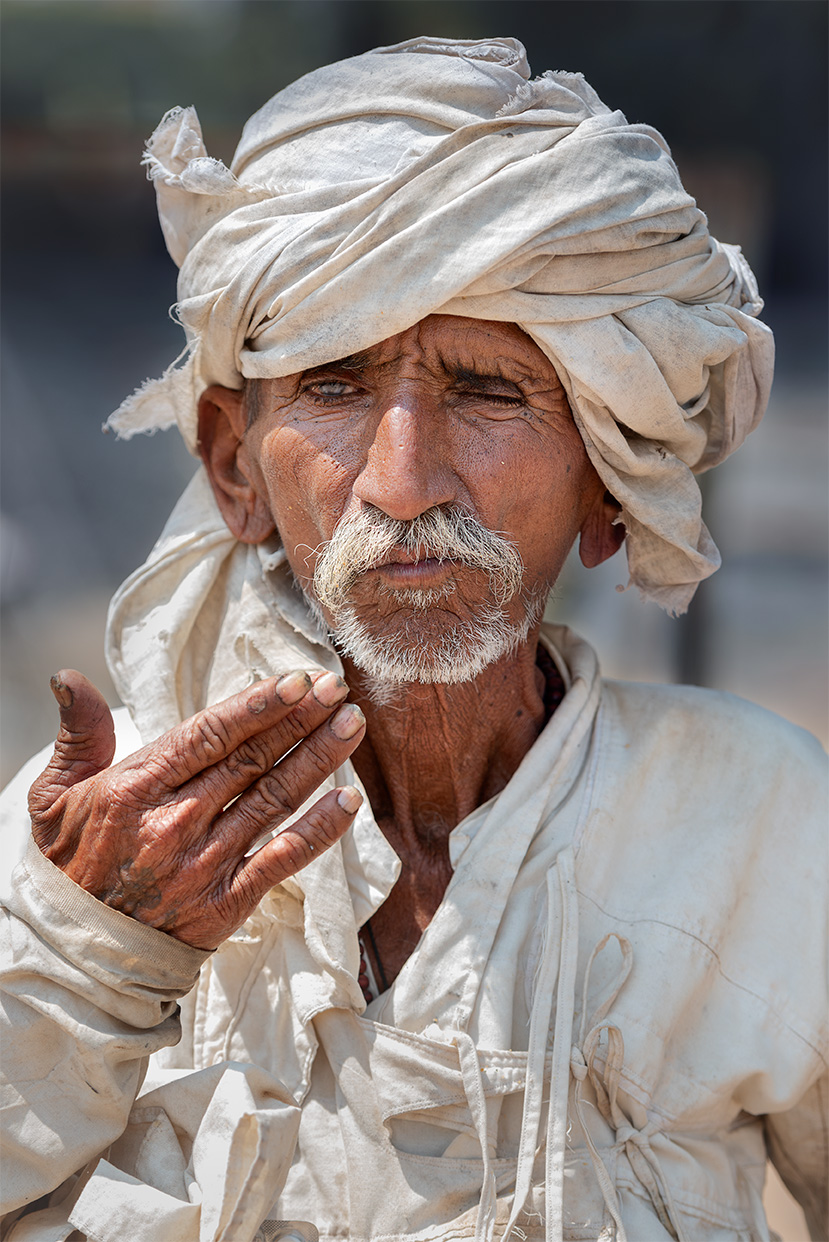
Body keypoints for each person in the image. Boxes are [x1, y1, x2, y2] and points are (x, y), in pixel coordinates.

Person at [0, 36, 825, 1242]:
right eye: (333, 389)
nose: (402, 483)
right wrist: (87, 961)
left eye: (487, 391)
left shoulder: (759, 821)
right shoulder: (107, 836)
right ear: (235, 468)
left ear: (611, 488)